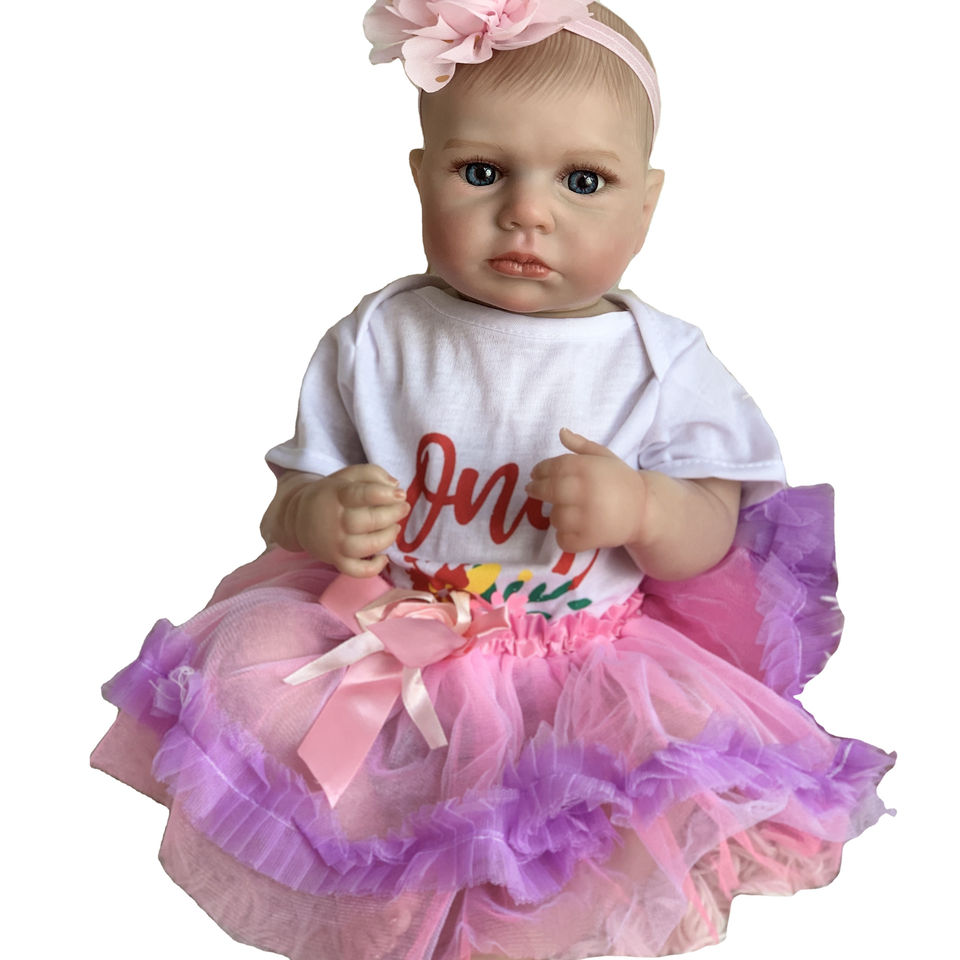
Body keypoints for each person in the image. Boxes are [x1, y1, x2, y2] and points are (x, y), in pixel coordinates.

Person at [91, 3, 895, 959]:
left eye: (583, 181)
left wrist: (644, 507)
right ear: (420, 176)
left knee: (553, 868)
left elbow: (711, 537)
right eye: (481, 172)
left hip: (582, 678)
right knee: (382, 858)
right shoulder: (380, 336)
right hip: (391, 655)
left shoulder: (659, 362)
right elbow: (287, 503)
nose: (527, 212)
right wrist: (322, 513)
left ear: (647, 204)